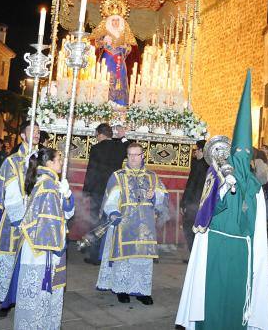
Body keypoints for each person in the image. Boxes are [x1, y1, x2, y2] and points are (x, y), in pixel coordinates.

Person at [176, 70, 268, 329]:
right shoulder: (215, 175)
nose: (239, 157)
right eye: (236, 153)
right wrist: (221, 187)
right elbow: (207, 210)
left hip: (243, 247)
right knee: (212, 294)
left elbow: (258, 222)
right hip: (216, 244)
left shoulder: (254, 187)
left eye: (244, 153)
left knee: (235, 297)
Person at [96, 141, 167, 305]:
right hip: (124, 223)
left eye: (137, 155)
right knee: (124, 258)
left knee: (143, 257)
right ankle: (121, 289)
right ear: (127, 156)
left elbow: (163, 197)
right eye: (131, 155)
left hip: (145, 226)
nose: (134, 158)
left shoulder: (152, 176)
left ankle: (142, 291)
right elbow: (110, 199)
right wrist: (113, 212)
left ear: (143, 156)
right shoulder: (118, 176)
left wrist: (154, 196)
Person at [12, 147, 74, 330]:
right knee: (39, 292)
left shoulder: (47, 182)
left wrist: (68, 197)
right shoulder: (48, 185)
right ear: (49, 163)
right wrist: (56, 249)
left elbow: (65, 213)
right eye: (59, 159)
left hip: (36, 247)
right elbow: (50, 220)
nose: (62, 163)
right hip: (42, 249)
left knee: (38, 293)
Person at [0, 123, 39, 318]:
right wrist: (17, 214)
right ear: (22, 136)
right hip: (15, 217)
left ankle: (29, 297)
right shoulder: (12, 161)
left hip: (37, 217)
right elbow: (6, 192)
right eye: (32, 131)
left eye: (39, 131)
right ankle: (6, 301)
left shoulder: (43, 159)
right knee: (10, 257)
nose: (37, 135)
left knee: (32, 260)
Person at [81, 123, 126, 265]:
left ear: (99, 134)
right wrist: (123, 136)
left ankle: (94, 256)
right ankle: (108, 254)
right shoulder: (120, 147)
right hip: (113, 190)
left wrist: (86, 190)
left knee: (96, 221)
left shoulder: (96, 148)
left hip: (98, 190)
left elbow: (92, 170)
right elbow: (129, 146)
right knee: (110, 221)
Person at [180, 140, 208, 255]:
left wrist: (184, 203)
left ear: (202, 150)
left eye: (196, 150)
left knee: (189, 228)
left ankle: (193, 254)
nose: (195, 152)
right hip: (203, 203)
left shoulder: (198, 165)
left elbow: (191, 185)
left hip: (194, 203)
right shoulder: (210, 165)